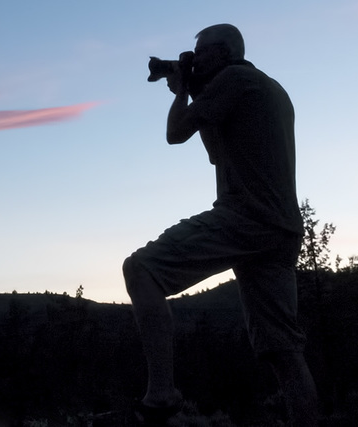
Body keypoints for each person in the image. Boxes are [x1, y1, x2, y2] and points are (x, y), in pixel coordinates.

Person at [122, 24, 318, 426]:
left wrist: (180, 92)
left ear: (225, 52)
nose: (193, 60)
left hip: (245, 217)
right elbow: (217, 151)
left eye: (199, 54)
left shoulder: (234, 77)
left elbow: (175, 135)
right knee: (283, 349)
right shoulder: (266, 87)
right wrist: (194, 89)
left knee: (142, 269)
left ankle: (161, 394)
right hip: (280, 229)